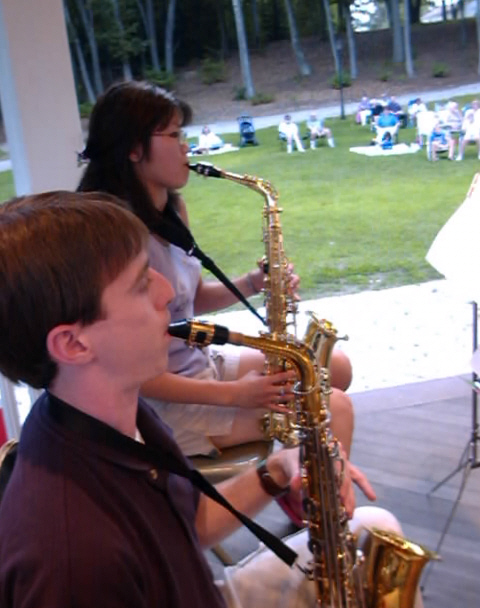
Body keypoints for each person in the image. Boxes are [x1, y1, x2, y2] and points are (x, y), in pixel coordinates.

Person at [0, 191, 425, 608]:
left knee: (375, 529)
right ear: (73, 344)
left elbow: (189, 521)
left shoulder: (113, 412)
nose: (167, 292)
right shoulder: (73, 562)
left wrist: (279, 468)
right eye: (142, 283)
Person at [77, 81, 353, 458]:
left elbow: (190, 300)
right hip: (164, 404)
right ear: (133, 148)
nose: (185, 147)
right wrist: (235, 395)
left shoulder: (173, 210)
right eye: (174, 134)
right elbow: (131, 373)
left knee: (336, 367)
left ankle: (296, 478)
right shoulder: (112, 236)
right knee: (335, 408)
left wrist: (254, 282)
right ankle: (304, 486)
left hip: (200, 364)